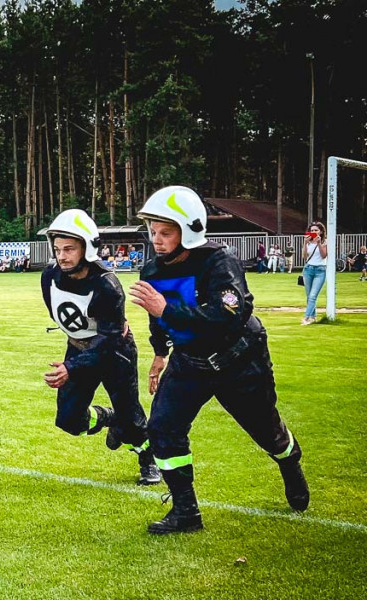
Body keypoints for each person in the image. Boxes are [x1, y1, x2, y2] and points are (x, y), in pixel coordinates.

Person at [130, 186, 309, 534]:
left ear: (189, 230)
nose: (157, 239)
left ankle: (289, 462)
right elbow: (157, 317)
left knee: (265, 430)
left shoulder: (219, 261)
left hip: (239, 361)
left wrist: (166, 308)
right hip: (188, 363)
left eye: (166, 232)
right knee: (163, 429)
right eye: (153, 231)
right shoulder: (151, 270)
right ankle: (186, 511)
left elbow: (229, 315)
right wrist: (159, 352)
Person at [41, 210, 160, 487]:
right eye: (58, 249)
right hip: (79, 348)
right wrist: (75, 356)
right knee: (69, 421)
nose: (62, 256)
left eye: (69, 249)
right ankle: (110, 418)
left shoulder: (107, 285)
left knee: (132, 417)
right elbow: (57, 314)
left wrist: (71, 367)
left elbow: (108, 339)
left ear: (87, 247)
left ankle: (147, 457)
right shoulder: (49, 277)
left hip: (115, 352)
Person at [302, 221, 328, 324]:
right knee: (309, 296)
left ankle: (306, 317)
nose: (313, 232)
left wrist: (319, 243)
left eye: (316, 230)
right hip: (308, 269)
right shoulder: (308, 242)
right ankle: (313, 317)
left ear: (321, 231)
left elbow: (323, 255)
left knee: (313, 296)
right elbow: (304, 256)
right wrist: (304, 243)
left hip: (320, 270)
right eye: (312, 230)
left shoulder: (325, 241)